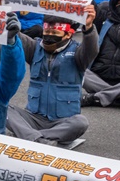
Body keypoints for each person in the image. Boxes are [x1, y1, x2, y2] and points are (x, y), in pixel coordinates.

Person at [5, 8, 97, 147]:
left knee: (81, 122)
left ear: (68, 34)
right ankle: (38, 139)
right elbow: (16, 37)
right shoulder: (35, 47)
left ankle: (30, 136)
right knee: (3, 108)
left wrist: (89, 28)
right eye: (47, 32)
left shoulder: (78, 53)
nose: (49, 36)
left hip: (62, 121)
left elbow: (92, 49)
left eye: (54, 33)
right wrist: (6, 14)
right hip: (34, 118)